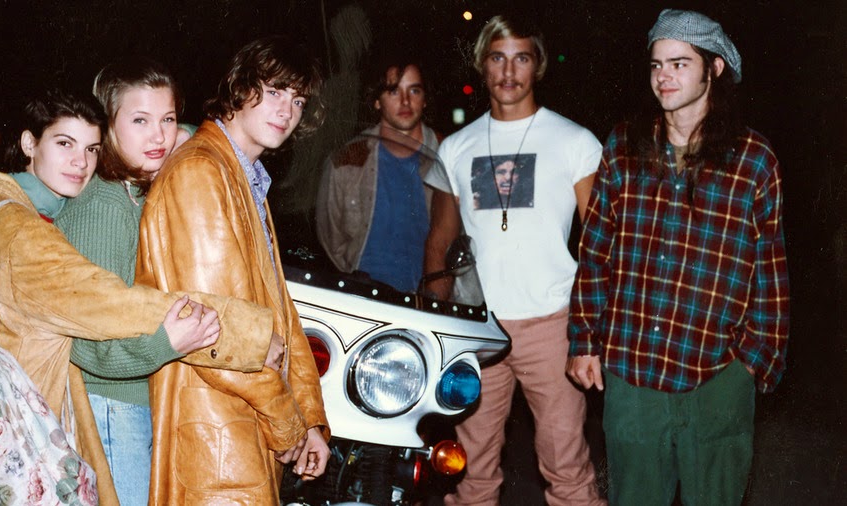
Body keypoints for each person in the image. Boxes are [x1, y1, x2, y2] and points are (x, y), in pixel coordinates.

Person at [0, 89, 283, 505]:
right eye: (64, 144)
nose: (80, 162)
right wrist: (247, 335)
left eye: (91, 148)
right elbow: (116, 301)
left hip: (1, 442)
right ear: (29, 143)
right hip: (15, 452)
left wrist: (184, 136)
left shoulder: (6, 211)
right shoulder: (22, 233)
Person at [566, 9, 789, 505]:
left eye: (680, 63)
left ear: (714, 69)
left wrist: (753, 363)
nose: (663, 76)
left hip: (718, 373)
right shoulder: (624, 146)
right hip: (633, 369)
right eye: (656, 65)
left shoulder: (754, 160)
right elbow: (596, 247)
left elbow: (769, 270)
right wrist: (583, 339)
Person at [54, 58, 272, 506]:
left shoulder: (137, 190)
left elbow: (187, 132)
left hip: (137, 398)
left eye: (167, 119)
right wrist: (164, 344)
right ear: (107, 127)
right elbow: (84, 340)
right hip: (112, 404)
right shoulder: (105, 207)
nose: (158, 136)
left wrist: (185, 135)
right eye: (139, 121)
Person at [136, 36, 330, 505]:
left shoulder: (245, 178)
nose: (288, 109)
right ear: (239, 88)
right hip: (213, 433)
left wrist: (312, 424)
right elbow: (217, 329)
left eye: (298, 99)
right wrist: (289, 427)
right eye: (275, 90)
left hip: (239, 425)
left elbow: (281, 315)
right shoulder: (202, 171)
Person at [423, 14, 605, 506]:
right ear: (482, 66)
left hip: (552, 324)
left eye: (521, 58)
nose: (508, 72)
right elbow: (439, 243)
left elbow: (600, 243)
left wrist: (593, 329)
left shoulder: (576, 141)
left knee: (566, 465)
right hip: (477, 327)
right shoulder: (455, 148)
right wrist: (441, 328)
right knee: (469, 469)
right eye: (497, 58)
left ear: (538, 66)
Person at [315, 54, 441, 292]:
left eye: (414, 91)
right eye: (393, 91)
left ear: (425, 99)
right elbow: (329, 237)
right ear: (377, 101)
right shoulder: (348, 159)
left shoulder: (446, 158)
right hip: (361, 297)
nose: (405, 102)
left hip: (425, 304)